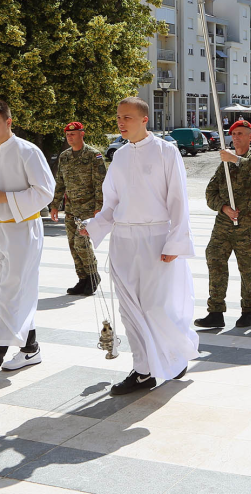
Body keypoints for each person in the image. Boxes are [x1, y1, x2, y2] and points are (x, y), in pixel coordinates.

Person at [82, 97, 199, 394]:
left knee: (155, 307)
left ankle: (174, 354)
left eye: (128, 117)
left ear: (145, 119)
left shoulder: (166, 151)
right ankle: (143, 371)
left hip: (156, 239)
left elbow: (178, 199)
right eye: (119, 117)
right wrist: (94, 226)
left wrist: (176, 241)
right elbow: (111, 203)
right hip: (123, 240)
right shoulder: (119, 156)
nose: (121, 122)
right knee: (129, 310)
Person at [0, 100, 56, 383]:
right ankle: (31, 349)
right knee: (12, 291)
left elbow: (45, 192)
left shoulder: (28, 151)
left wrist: (3, 198)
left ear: (9, 121)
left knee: (10, 292)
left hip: (23, 229)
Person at [195, 119, 251, 329]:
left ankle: (248, 310)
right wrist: (223, 208)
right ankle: (215, 311)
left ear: (250, 137)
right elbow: (210, 192)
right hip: (223, 224)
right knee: (215, 261)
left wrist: (236, 160)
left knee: (247, 268)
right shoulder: (224, 164)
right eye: (234, 134)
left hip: (248, 225)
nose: (236, 137)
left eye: (241, 133)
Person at [50, 122, 107, 296]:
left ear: (82, 134)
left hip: (88, 208)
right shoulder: (65, 156)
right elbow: (60, 182)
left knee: (80, 243)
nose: (70, 137)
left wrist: (99, 208)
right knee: (72, 246)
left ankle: (93, 276)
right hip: (71, 208)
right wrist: (55, 205)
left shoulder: (93, 155)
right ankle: (83, 279)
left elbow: (100, 184)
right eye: (67, 135)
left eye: (73, 134)